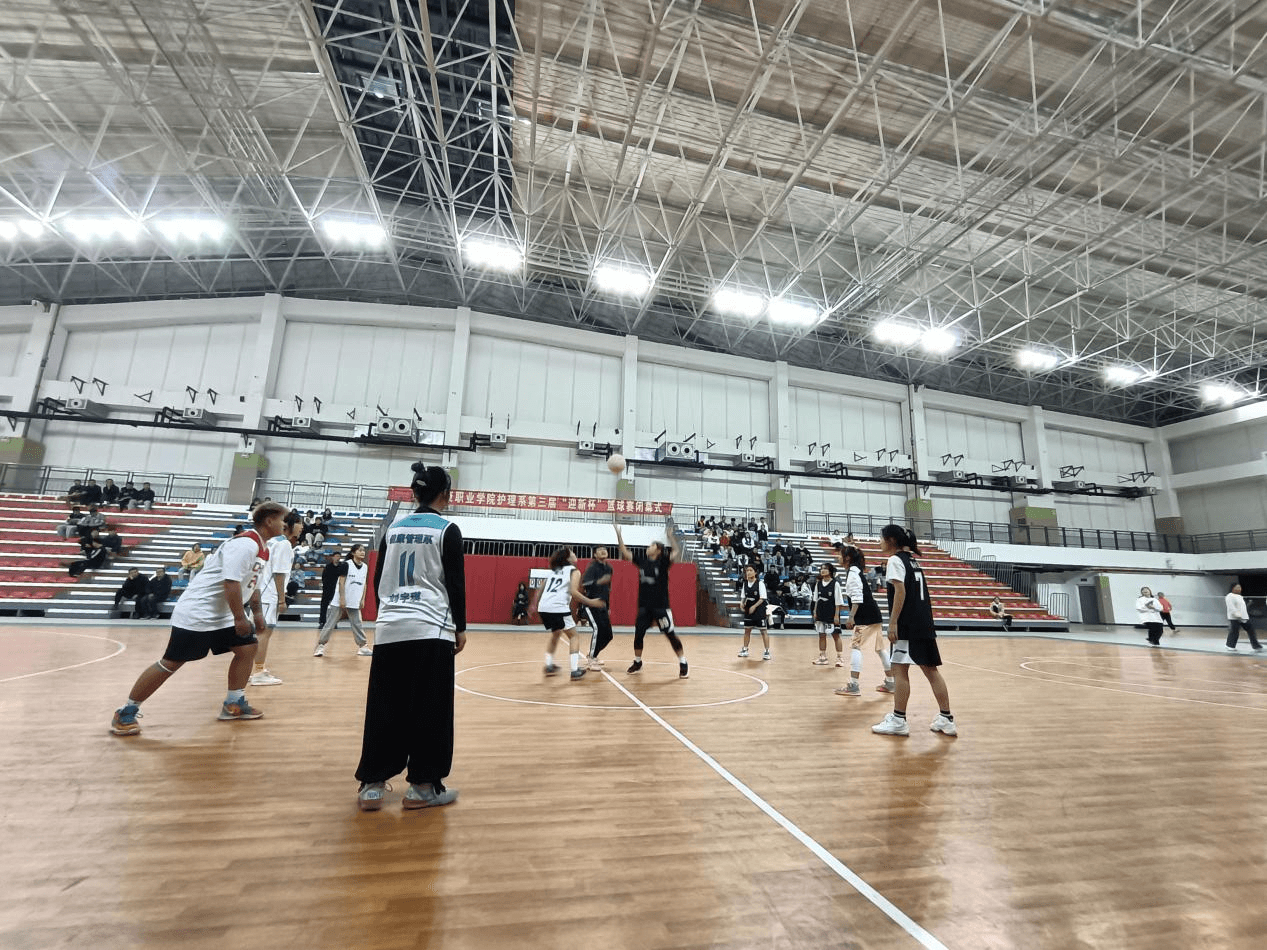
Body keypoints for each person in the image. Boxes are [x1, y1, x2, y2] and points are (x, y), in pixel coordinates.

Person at [109, 501, 288, 736]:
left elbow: (251, 584)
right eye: (282, 520)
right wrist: (239, 618)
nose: (285, 525)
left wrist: (256, 613)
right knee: (171, 663)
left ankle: (233, 703)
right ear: (269, 521)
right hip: (199, 612)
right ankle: (126, 711)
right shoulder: (245, 544)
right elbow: (231, 582)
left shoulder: (263, 548)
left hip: (223, 613)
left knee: (247, 649)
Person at [355, 464, 466, 811]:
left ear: (415, 493)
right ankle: (422, 788)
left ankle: (372, 786)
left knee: (384, 707)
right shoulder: (447, 530)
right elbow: (455, 583)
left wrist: (385, 617)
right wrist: (461, 627)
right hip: (431, 628)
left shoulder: (393, 528)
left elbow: (378, 580)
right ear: (444, 494)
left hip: (390, 627)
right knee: (431, 711)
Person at [872, 525, 956, 737]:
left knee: (899, 669)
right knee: (931, 671)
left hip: (907, 625)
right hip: (923, 622)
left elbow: (900, 592)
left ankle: (898, 720)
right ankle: (946, 718)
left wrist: (893, 623)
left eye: (881, 538)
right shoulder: (912, 560)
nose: (879, 542)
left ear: (891, 540)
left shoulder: (895, 560)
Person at [615, 522, 688, 678]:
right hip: (644, 606)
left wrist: (670, 537)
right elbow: (625, 552)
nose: (648, 548)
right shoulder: (642, 561)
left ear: (658, 549)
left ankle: (683, 662)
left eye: (651, 545)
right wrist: (619, 535)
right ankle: (637, 662)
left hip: (661, 606)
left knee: (670, 635)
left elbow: (676, 551)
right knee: (638, 634)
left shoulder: (663, 562)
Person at [536, 546, 606, 680]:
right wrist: (591, 602)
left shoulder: (553, 572)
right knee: (574, 636)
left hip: (543, 607)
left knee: (556, 634)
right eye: (572, 552)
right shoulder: (574, 571)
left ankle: (549, 666)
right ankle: (574, 671)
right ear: (568, 558)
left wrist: (536, 605)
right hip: (558, 607)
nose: (575, 554)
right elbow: (574, 592)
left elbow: (541, 590)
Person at [250, 511, 303, 686]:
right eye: (299, 523)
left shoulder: (271, 541)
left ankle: (255, 669)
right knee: (264, 633)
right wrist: (282, 599)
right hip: (269, 594)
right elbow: (279, 573)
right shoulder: (284, 544)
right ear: (290, 524)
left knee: (259, 633)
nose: (302, 527)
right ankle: (259, 672)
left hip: (259, 592)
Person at [835, 545, 893, 696]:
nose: (838, 557)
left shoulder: (853, 573)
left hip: (865, 616)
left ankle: (853, 685)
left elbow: (857, 597)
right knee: (880, 649)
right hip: (873, 614)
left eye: (840, 555)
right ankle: (891, 683)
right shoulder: (856, 570)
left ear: (847, 558)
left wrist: (851, 617)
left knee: (856, 647)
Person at [314, 543, 371, 656]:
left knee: (357, 623)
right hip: (340, 600)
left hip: (354, 600)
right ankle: (320, 646)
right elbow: (341, 582)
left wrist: (362, 599)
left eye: (363, 550)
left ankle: (363, 646)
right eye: (359, 550)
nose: (362, 552)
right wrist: (342, 599)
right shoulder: (346, 565)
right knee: (331, 623)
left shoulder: (365, 567)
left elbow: (364, 584)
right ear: (353, 553)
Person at [580, 546, 615, 671]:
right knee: (598, 629)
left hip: (603, 605)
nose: (603, 551)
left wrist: (608, 606)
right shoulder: (592, 567)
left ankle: (593, 655)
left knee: (608, 635)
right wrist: (599, 581)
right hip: (591, 604)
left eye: (605, 549)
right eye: (599, 550)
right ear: (595, 555)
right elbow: (584, 583)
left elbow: (608, 588)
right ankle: (591, 659)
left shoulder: (609, 568)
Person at [811, 562, 845, 666]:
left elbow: (838, 601)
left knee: (836, 635)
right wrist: (815, 611)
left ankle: (840, 658)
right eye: (821, 568)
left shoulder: (835, 584)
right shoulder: (818, 584)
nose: (822, 570)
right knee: (821, 635)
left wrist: (836, 615)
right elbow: (816, 599)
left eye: (825, 568)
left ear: (830, 571)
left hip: (832, 612)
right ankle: (823, 657)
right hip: (821, 612)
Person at [737, 564, 770, 660]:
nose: (748, 572)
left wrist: (754, 606)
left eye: (750, 570)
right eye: (747, 570)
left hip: (759, 608)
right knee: (747, 630)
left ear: (755, 572)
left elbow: (762, 598)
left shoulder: (760, 583)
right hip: (748, 608)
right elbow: (743, 597)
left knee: (763, 630)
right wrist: (741, 604)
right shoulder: (745, 584)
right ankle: (745, 649)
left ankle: (767, 651)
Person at [1225, 583, 1262, 652]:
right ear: (1232, 588)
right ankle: (1230, 645)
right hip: (1234, 618)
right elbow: (1231, 607)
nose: (1239, 589)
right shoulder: (1229, 596)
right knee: (1234, 632)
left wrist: (1244, 616)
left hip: (1244, 617)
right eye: (1237, 587)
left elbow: (1242, 607)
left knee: (1251, 630)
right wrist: (1237, 615)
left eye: (1239, 587)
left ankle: (1256, 646)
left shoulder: (1239, 596)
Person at [318, 550, 343, 627]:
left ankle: (334, 622)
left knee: (335, 608)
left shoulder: (341, 567)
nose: (337, 558)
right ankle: (322, 622)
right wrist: (325, 586)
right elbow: (324, 577)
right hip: (327, 589)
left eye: (339, 556)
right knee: (324, 606)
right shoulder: (328, 567)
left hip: (337, 589)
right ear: (333, 557)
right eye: (336, 556)